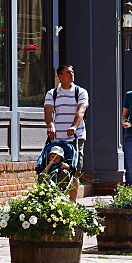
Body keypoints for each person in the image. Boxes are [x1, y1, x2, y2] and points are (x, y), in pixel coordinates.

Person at [44, 64, 88, 201]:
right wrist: (50, 124)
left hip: (76, 137)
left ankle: (72, 203)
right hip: (58, 139)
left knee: (74, 170)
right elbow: (48, 111)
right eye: (68, 72)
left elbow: (81, 111)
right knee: (56, 170)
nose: (72, 74)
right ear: (60, 76)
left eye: (72, 72)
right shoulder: (52, 93)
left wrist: (74, 126)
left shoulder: (80, 92)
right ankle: (58, 202)